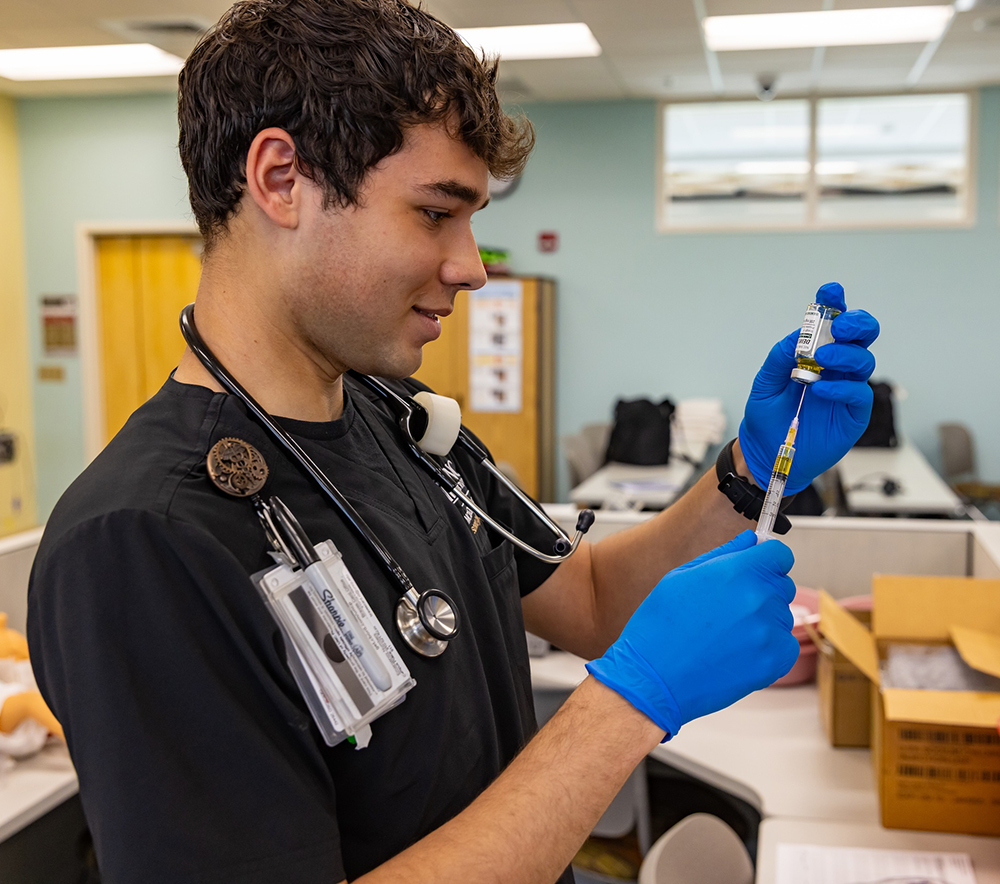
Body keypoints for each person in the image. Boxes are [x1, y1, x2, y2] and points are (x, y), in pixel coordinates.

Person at [26, 1, 880, 882]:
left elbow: (584, 601)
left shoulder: (404, 420)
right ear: (282, 180)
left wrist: (746, 471)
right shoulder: (143, 542)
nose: (473, 264)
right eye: (437, 212)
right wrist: (629, 705)